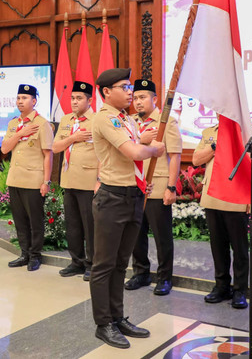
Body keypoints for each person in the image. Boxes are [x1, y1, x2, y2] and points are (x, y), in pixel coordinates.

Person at [91, 68, 165, 349]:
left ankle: (117, 317)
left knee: (121, 264)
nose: (130, 92)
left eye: (130, 86)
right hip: (112, 199)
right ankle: (103, 324)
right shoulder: (106, 117)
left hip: (133, 195)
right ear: (107, 91)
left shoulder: (125, 118)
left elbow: (136, 146)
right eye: (124, 87)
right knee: (104, 265)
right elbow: (134, 152)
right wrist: (154, 151)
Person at [124, 79, 181, 296]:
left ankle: (165, 278)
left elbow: (174, 157)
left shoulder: (167, 122)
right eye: (135, 97)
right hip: (133, 184)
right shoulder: (129, 122)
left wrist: (171, 187)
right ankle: (141, 273)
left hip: (156, 185)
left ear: (155, 99)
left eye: (143, 97)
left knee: (161, 236)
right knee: (135, 233)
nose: (138, 102)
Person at [192, 119, 249, 309]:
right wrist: (215, 147)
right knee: (218, 246)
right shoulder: (210, 131)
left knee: (239, 248)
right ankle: (221, 286)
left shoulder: (245, 131)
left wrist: (250, 198)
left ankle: (240, 290)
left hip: (236, 196)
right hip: (212, 195)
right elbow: (196, 159)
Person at [1, 84, 54, 271]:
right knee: (20, 220)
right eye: (18, 98)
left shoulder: (42, 124)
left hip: (34, 180)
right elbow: (5, 148)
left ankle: (35, 256)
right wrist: (20, 133)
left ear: (34, 101)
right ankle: (24, 254)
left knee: (35, 221)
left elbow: (48, 154)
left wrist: (46, 182)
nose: (20, 101)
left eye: (24, 98)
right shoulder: (13, 124)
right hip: (15, 179)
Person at [52, 81, 98, 281]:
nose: (74, 101)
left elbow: (103, 153)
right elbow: (56, 147)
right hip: (68, 179)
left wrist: (100, 180)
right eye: (72, 98)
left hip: (89, 181)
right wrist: (73, 137)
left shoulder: (97, 120)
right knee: (72, 225)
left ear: (90, 100)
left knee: (90, 226)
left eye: (79, 98)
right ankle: (76, 262)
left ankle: (92, 264)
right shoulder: (66, 120)